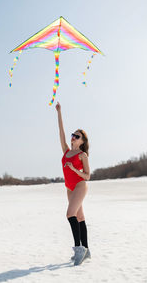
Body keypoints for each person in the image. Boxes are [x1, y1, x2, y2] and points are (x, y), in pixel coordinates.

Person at [55, 101, 91, 266]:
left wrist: (74, 169)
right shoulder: (67, 151)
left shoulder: (82, 155)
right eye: (73, 135)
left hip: (80, 186)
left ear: (82, 141)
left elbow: (87, 176)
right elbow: (61, 133)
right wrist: (59, 112)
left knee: (70, 214)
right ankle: (87, 250)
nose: (73, 137)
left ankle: (79, 249)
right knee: (80, 217)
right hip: (69, 188)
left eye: (77, 136)